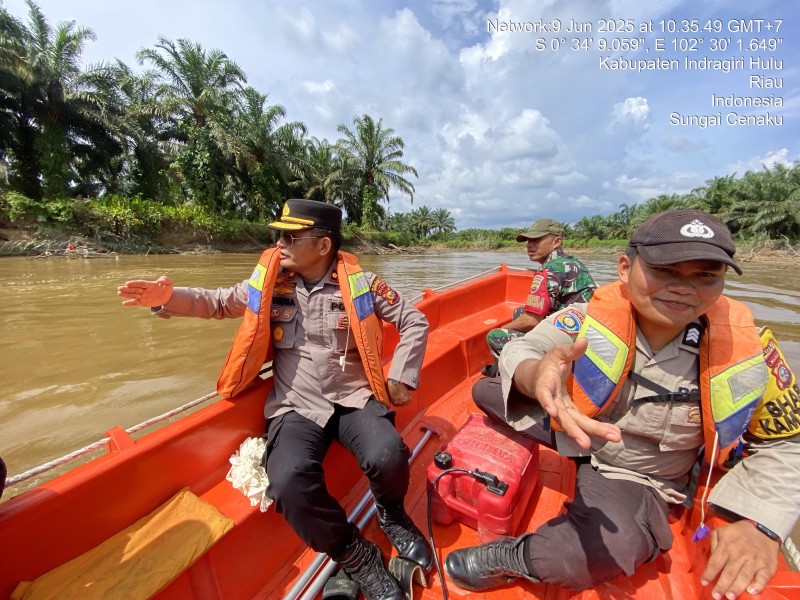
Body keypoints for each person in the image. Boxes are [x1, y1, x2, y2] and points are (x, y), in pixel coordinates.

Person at [446, 209, 800, 599]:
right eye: (666, 271)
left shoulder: (752, 351)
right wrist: (539, 376)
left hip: (632, 471)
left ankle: (513, 555)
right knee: (484, 392)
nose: (684, 288)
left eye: (705, 276)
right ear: (624, 268)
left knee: (581, 556)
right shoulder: (588, 318)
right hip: (573, 425)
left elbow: (787, 442)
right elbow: (528, 347)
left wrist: (760, 523)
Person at [118, 199, 432, 600]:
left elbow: (413, 320)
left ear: (323, 246)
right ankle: (356, 555)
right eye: (279, 234)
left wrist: (401, 375)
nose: (280, 242)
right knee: (287, 482)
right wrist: (167, 298)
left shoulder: (363, 285)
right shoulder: (270, 283)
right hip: (295, 405)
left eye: (290, 236)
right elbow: (218, 303)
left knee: (388, 454)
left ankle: (392, 516)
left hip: (353, 397)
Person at [485, 218, 596, 361]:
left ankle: (519, 374)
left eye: (536, 240)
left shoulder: (550, 269)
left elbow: (532, 321)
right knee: (519, 312)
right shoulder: (573, 261)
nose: (529, 246)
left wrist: (503, 327)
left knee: (495, 336)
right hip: (582, 328)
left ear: (557, 242)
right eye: (528, 241)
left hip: (568, 338)